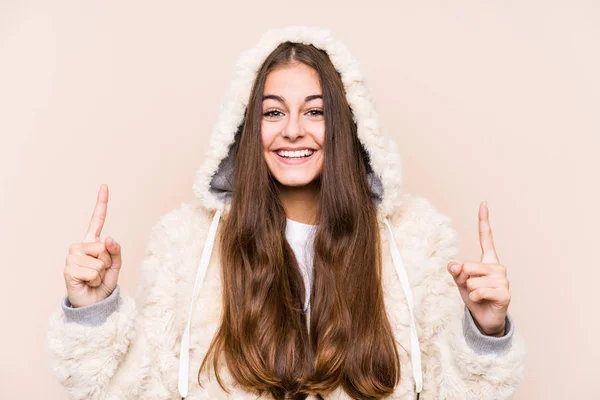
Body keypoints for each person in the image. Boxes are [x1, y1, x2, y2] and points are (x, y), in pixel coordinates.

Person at [47, 25, 527, 400]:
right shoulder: (184, 246)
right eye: (273, 112)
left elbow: (457, 392)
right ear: (246, 128)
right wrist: (93, 311)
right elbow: (134, 391)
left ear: (344, 126)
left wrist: (486, 332)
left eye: (315, 112)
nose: (292, 130)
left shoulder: (415, 243)